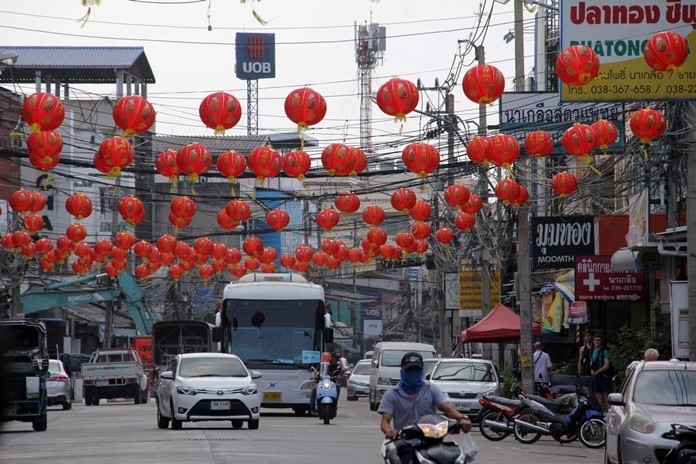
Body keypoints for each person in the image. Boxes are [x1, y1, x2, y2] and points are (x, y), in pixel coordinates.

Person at [378, 352, 472, 464]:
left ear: (422, 371)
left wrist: (461, 418)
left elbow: (447, 409)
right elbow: (385, 421)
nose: (413, 373)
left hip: (433, 441)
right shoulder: (392, 394)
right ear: (402, 371)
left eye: (416, 370)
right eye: (410, 370)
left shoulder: (431, 389)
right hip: (406, 443)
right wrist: (389, 431)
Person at [590, 334, 611, 411]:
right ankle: (600, 410)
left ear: (601, 341)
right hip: (596, 376)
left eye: (599, 340)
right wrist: (592, 371)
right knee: (597, 394)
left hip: (604, 375)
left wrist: (598, 372)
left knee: (606, 394)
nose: (597, 342)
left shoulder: (604, 352)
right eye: (595, 340)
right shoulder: (592, 351)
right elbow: (591, 362)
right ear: (593, 341)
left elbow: (606, 365)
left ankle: (609, 410)